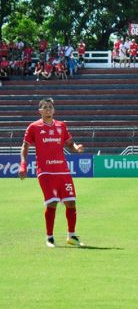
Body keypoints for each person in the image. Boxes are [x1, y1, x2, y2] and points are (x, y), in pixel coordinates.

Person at [19, 98, 85, 247]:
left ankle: (72, 236)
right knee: (52, 202)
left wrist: (76, 148)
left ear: (54, 110)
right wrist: (23, 164)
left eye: (50, 107)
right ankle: (49, 237)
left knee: (71, 202)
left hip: (63, 171)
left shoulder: (61, 126)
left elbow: (70, 145)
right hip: (45, 171)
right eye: (45, 107)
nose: (48, 109)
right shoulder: (33, 127)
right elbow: (24, 147)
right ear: (40, 111)